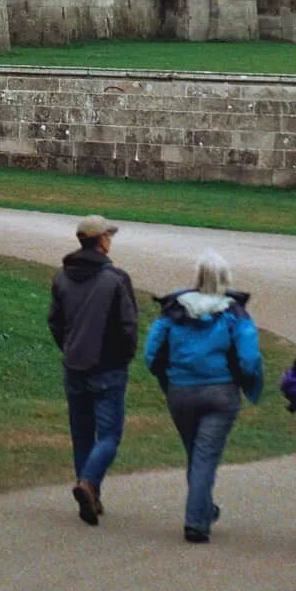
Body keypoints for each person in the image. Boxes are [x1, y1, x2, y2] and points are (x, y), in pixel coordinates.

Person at [144, 250, 264, 543]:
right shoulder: (235, 313)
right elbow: (249, 358)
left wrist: (169, 376)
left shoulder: (174, 311)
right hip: (220, 393)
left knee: (197, 455)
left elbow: (151, 354)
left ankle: (204, 509)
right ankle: (196, 522)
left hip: (180, 392)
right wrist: (250, 382)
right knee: (204, 457)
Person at [47, 214, 138, 526]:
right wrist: (125, 355)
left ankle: (91, 494)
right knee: (110, 435)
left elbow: (55, 322)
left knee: (82, 433)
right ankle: (87, 483)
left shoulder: (62, 277)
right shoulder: (115, 279)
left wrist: (69, 346)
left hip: (74, 364)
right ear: (101, 241)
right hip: (108, 366)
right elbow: (128, 325)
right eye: (108, 236)